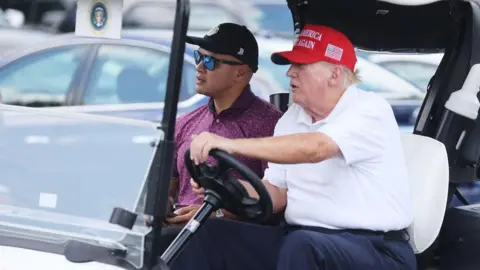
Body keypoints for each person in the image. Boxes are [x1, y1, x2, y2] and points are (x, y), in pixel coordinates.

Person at [170, 24, 416, 270]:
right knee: (207, 233)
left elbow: (316, 148)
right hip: (301, 239)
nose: (290, 73)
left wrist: (229, 145)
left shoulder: (368, 108)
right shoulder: (292, 119)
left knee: (302, 245)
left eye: (301, 66)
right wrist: (228, 188)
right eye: (291, 65)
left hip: (376, 249)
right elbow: (275, 193)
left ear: (335, 74)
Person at [163, 22, 283, 226]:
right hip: (177, 232)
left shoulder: (272, 125)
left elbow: (276, 206)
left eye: (210, 62)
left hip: (231, 238)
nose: (200, 67)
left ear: (241, 72)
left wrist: (217, 215)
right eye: (198, 57)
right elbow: (168, 189)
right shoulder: (185, 122)